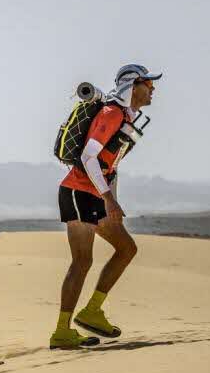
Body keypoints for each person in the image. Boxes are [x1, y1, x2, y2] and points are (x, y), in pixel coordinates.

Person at [50, 63, 161, 349]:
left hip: (95, 194)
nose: (153, 91)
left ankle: (92, 311)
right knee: (82, 261)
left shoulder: (126, 116)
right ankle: (62, 332)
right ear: (133, 86)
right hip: (78, 191)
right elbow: (89, 158)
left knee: (126, 248)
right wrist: (108, 198)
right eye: (149, 85)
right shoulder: (111, 113)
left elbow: (110, 165)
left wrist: (111, 198)